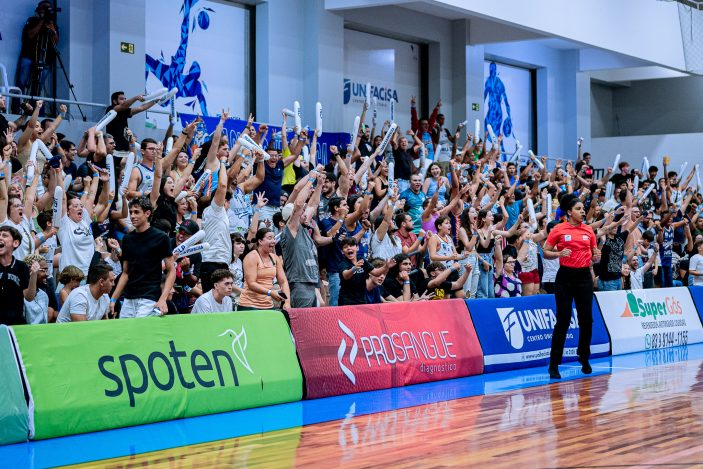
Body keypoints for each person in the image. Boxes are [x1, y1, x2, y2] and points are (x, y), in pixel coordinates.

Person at [544, 194, 601, 380]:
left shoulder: (589, 230)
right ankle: (554, 365)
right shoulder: (558, 229)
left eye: (583, 209)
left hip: (584, 277)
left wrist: (596, 258)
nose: (583, 211)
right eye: (578, 209)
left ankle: (584, 357)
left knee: (587, 320)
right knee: (563, 320)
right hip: (565, 277)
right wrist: (559, 253)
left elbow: (594, 255)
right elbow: (545, 251)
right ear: (569, 212)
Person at [110, 197, 176, 318]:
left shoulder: (161, 238)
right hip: (129, 298)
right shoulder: (127, 239)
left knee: (140, 330)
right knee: (125, 330)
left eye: (136, 212)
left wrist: (163, 299)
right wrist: (113, 299)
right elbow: (125, 273)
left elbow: (171, 270)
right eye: (131, 212)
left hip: (149, 298)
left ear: (147, 213)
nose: (132, 216)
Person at [15, 1, 59, 102]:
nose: (46, 10)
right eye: (44, 7)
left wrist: (52, 29)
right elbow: (30, 35)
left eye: (48, 8)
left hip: (45, 60)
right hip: (28, 56)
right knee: (21, 82)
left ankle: (35, 109)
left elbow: (55, 42)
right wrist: (42, 21)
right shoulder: (32, 20)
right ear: (38, 8)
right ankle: (16, 107)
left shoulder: (52, 24)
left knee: (39, 86)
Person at [239, 228, 291, 310]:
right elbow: (251, 283)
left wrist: (287, 302)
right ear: (260, 241)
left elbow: (283, 282)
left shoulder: (275, 258)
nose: (273, 241)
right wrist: (270, 292)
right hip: (249, 305)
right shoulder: (251, 257)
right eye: (269, 238)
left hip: (268, 305)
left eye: (274, 238)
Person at [0, 226, 30, 325]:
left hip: (16, 323)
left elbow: (29, 297)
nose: (0, 237)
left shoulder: (21, 266)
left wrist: (34, 276)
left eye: (4, 235)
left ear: (15, 243)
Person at [23, 253, 56, 324]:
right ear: (30, 270)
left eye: (47, 270)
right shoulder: (20, 296)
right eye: (43, 270)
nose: (47, 274)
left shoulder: (43, 295)